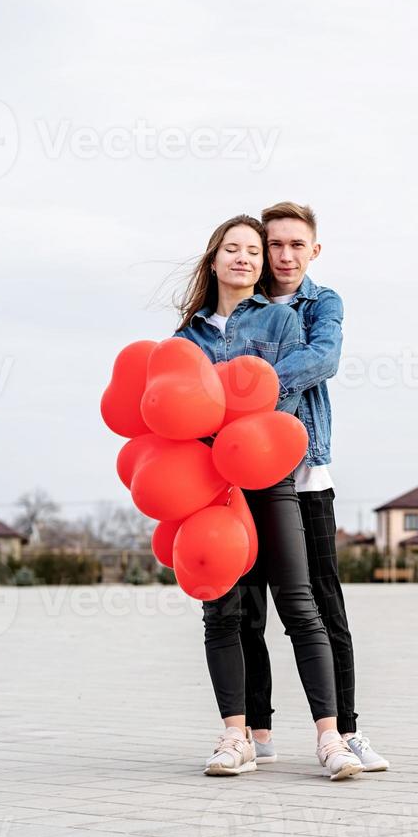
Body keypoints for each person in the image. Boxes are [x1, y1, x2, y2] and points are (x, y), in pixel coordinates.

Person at [173, 213, 362, 780]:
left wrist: (233, 395)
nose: (248, 258)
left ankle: (334, 738)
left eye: (253, 250)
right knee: (225, 611)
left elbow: (284, 400)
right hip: (210, 487)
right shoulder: (188, 338)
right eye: (234, 249)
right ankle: (240, 737)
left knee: (302, 604)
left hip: (273, 474)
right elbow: (177, 413)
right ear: (213, 260)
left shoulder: (285, 318)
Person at [239, 200, 389, 772]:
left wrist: (248, 387)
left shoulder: (321, 302)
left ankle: (347, 731)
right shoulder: (238, 308)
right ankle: (256, 730)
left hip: (305, 472)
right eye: (274, 244)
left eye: (296, 245)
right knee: (247, 605)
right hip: (244, 473)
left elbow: (323, 359)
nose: (283, 255)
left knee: (323, 604)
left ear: (314, 250)